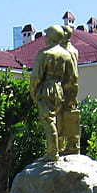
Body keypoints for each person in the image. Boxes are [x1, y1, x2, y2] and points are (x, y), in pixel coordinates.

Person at [30, 24, 80, 157]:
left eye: (47, 35)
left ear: (51, 37)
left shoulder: (44, 53)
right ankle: (58, 149)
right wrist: (71, 95)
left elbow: (36, 77)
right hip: (60, 91)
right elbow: (73, 77)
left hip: (46, 90)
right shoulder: (67, 54)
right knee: (57, 120)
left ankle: (52, 152)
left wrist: (33, 92)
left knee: (48, 120)